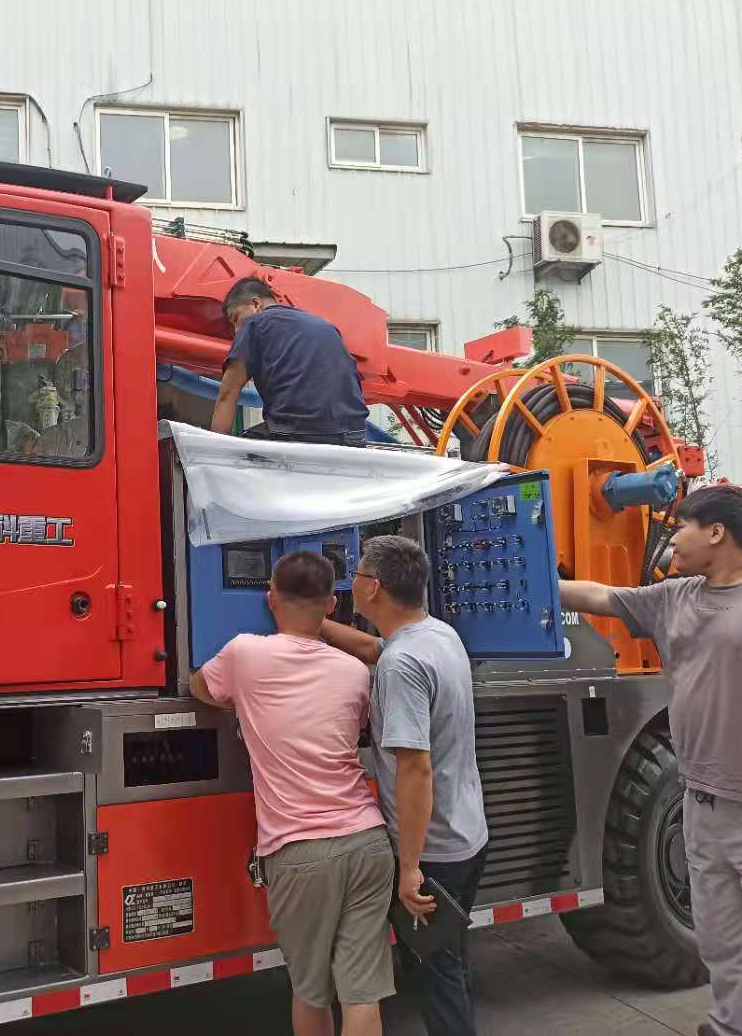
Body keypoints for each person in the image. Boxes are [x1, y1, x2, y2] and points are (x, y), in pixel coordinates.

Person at [559, 485, 742, 1036]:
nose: (671, 542)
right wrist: (532, 582)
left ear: (717, 532)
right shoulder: (674, 598)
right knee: (724, 945)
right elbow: (601, 596)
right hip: (700, 806)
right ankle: (738, 1027)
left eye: (680, 529)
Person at [190, 551, 394, 1036]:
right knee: (362, 995)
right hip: (368, 842)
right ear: (332, 605)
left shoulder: (243, 654)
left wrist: (242, 704)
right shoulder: (355, 672)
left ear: (271, 598)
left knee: (311, 992)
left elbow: (200, 686)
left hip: (301, 852)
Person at [320, 534, 489, 1036]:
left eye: (355, 575)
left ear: (373, 587)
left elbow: (415, 769)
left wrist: (410, 867)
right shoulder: (437, 636)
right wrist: (311, 621)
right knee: (450, 958)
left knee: (439, 973)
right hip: (467, 835)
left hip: (432, 850)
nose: (349, 584)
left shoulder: (401, 665)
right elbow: (375, 648)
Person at [211, 277, 369, 446]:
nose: (236, 331)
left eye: (235, 318)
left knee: (243, 448)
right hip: (354, 435)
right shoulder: (325, 325)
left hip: (298, 435)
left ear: (256, 304)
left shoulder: (254, 325)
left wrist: (215, 452)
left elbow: (227, 395)